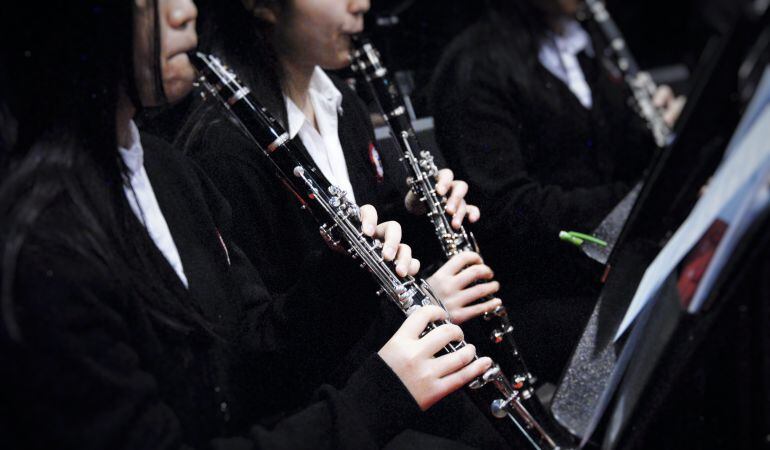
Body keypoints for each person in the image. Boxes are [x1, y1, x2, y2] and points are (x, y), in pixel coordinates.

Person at [0, 1, 493, 448]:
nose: (184, 11)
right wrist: (378, 398)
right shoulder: (47, 243)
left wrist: (345, 275)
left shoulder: (165, 170)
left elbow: (250, 353)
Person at [429, 0, 684, 381]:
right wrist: (648, 196)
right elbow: (510, 210)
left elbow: (605, 157)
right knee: (675, 336)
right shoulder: (473, 66)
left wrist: (660, 141)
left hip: (611, 266)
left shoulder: (588, 38)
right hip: (539, 295)